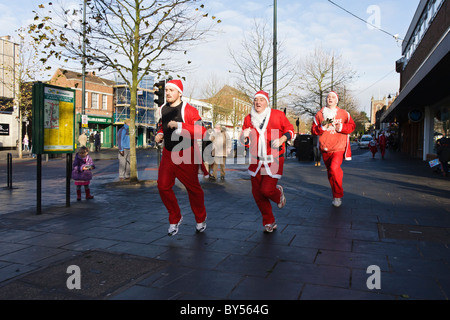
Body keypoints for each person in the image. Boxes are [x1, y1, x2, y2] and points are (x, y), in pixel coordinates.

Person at [155, 79, 208, 236]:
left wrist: (179, 126)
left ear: (180, 92)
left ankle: (200, 218)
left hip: (186, 153)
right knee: (162, 186)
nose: (168, 93)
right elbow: (161, 125)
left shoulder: (189, 110)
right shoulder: (163, 109)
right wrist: (159, 134)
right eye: (167, 90)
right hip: (168, 153)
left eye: (172, 90)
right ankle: (175, 217)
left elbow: (201, 131)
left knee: (193, 189)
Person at [240, 90, 294, 233]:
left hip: (273, 159)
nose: (258, 102)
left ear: (267, 102)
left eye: (261, 100)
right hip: (256, 161)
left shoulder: (277, 115)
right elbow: (245, 141)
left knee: (266, 190)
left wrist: (282, 139)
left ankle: (277, 194)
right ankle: (269, 221)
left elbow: (290, 130)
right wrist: (244, 137)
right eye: (256, 100)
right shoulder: (248, 118)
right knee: (257, 194)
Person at [311, 91, 356, 208]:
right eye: (328, 97)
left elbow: (352, 126)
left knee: (334, 168)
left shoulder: (344, 113)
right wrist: (322, 127)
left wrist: (341, 127)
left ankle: (338, 194)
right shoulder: (319, 114)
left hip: (339, 147)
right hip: (325, 148)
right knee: (331, 173)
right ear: (326, 100)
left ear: (337, 100)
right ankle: (335, 194)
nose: (330, 99)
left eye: (333, 97)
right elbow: (313, 130)